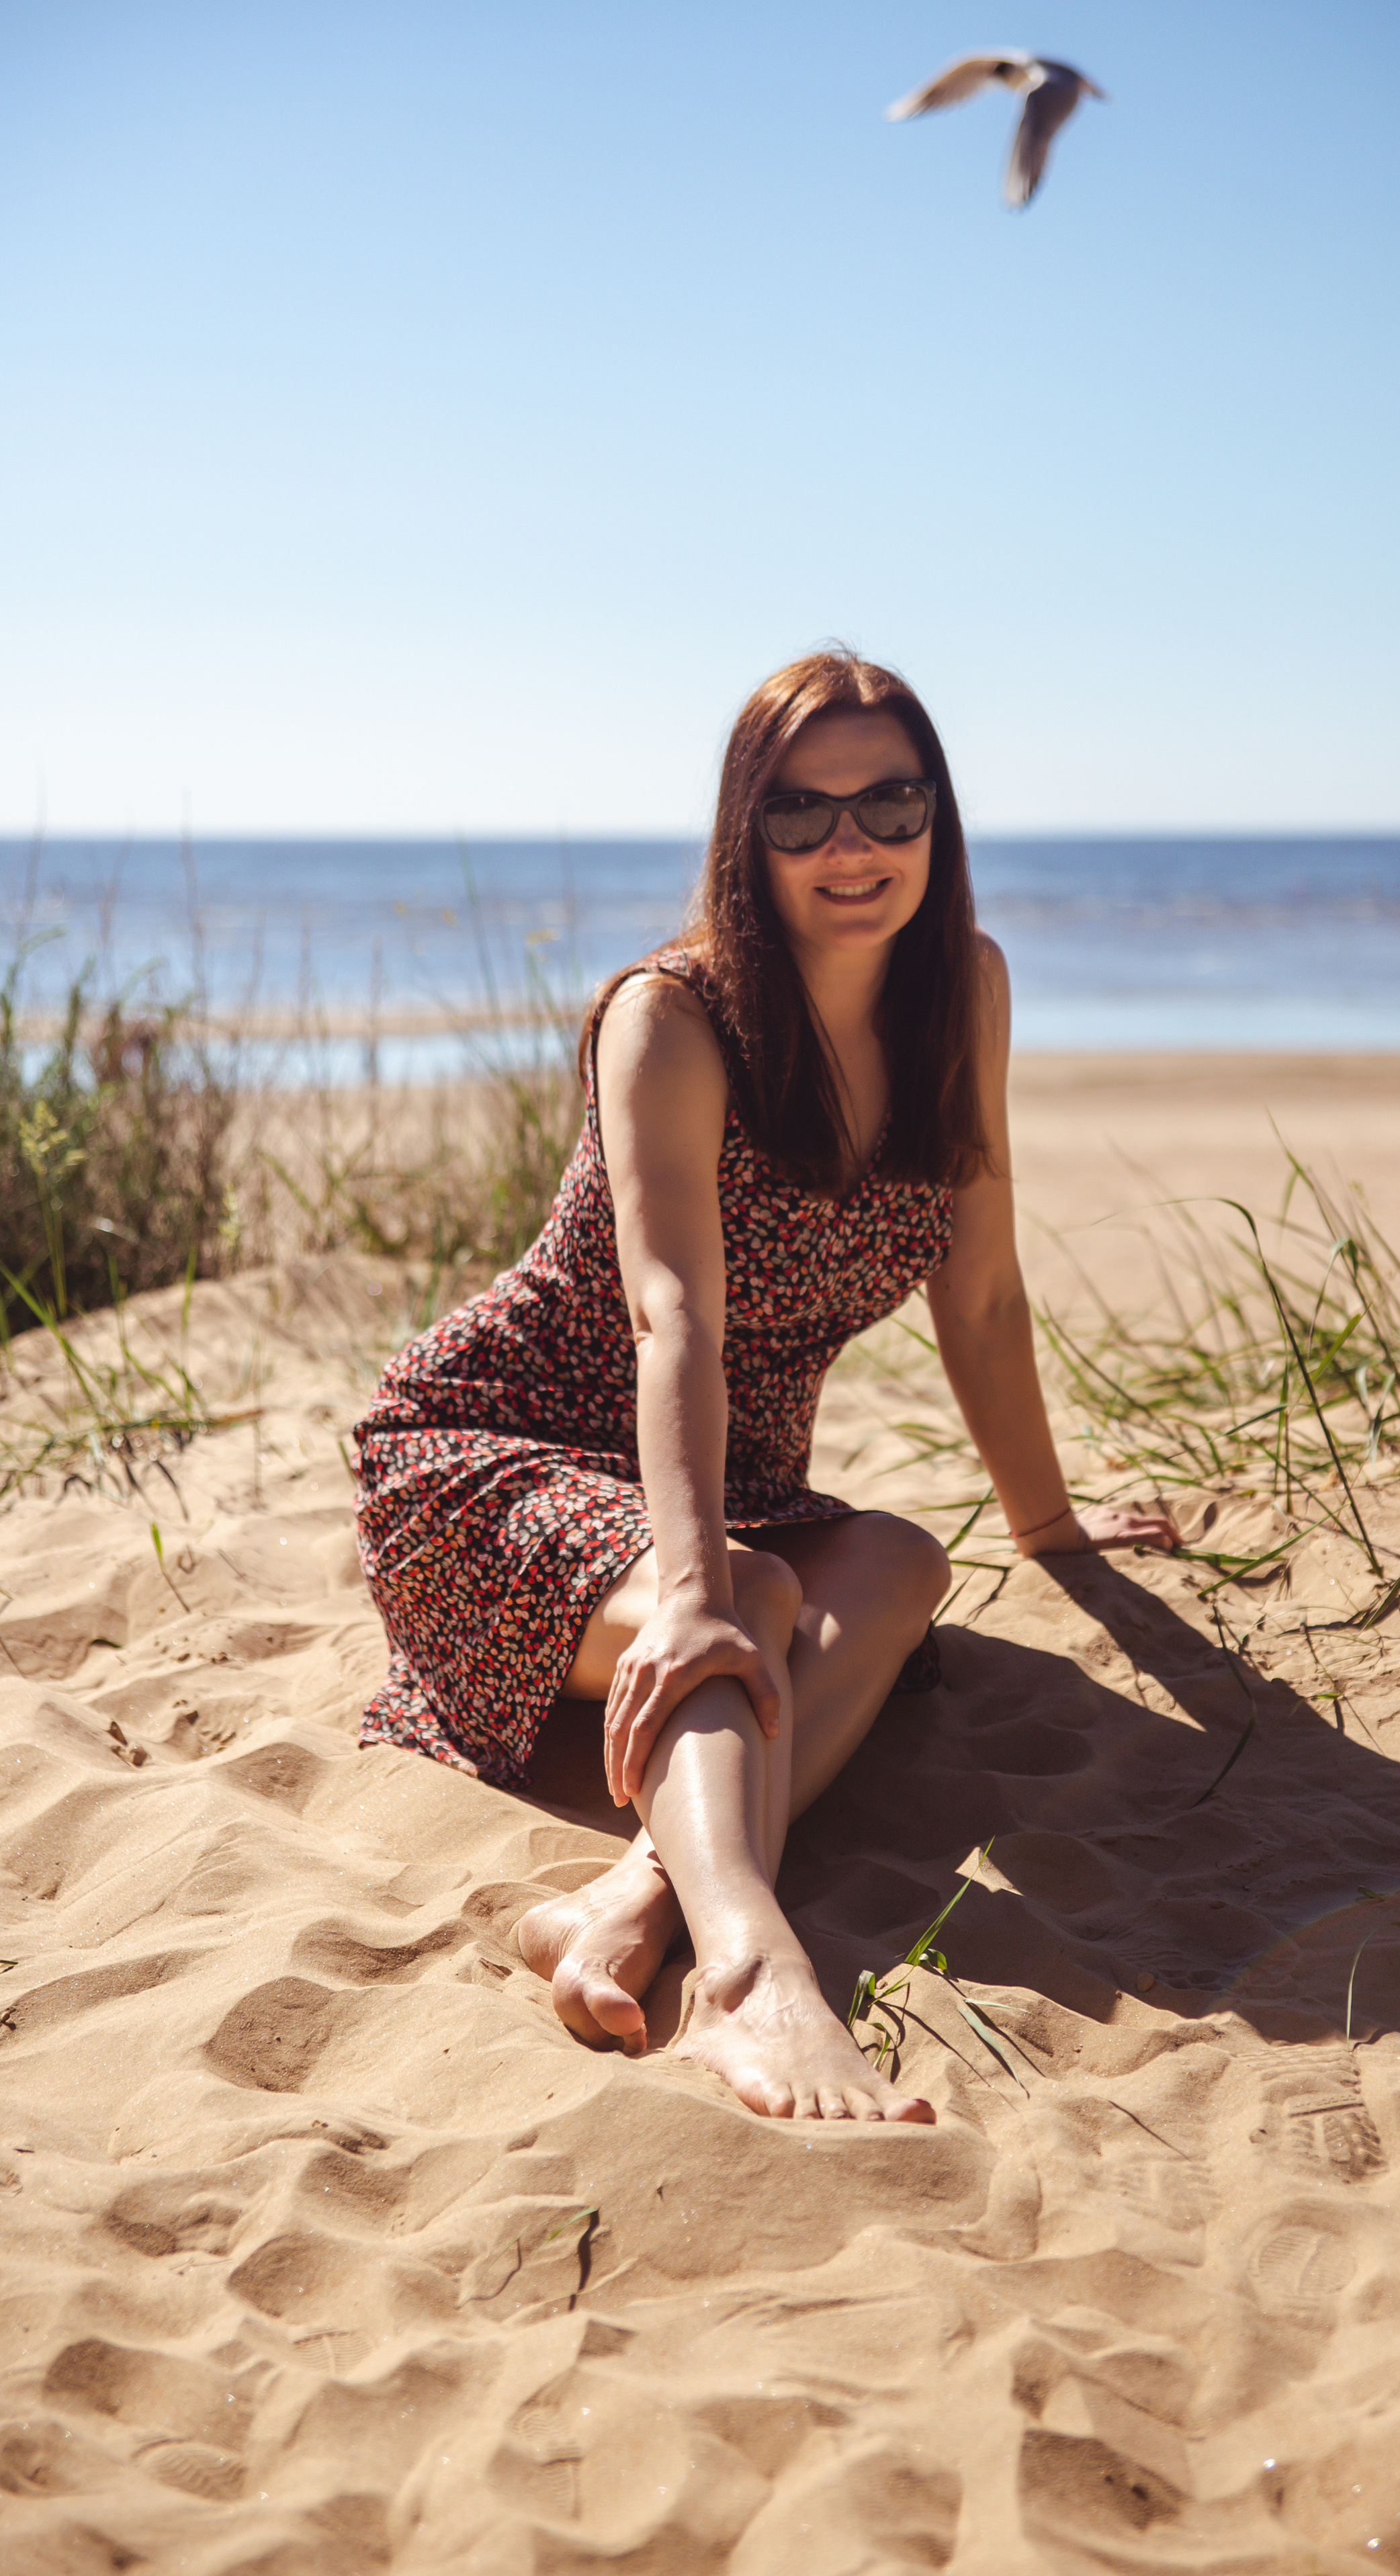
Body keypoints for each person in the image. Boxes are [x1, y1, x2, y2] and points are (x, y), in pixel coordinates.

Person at [351, 650, 1176, 2124]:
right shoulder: (671, 1016)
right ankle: (744, 1973)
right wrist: (691, 1589)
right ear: (750, 833)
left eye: (888, 804)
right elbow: (672, 1315)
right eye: (801, 813)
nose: (850, 846)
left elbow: (982, 1294)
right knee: (754, 1594)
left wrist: (1050, 1530)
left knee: (903, 1562)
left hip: (727, 1479)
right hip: (492, 1451)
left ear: (936, 816)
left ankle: (632, 1900)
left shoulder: (964, 991)